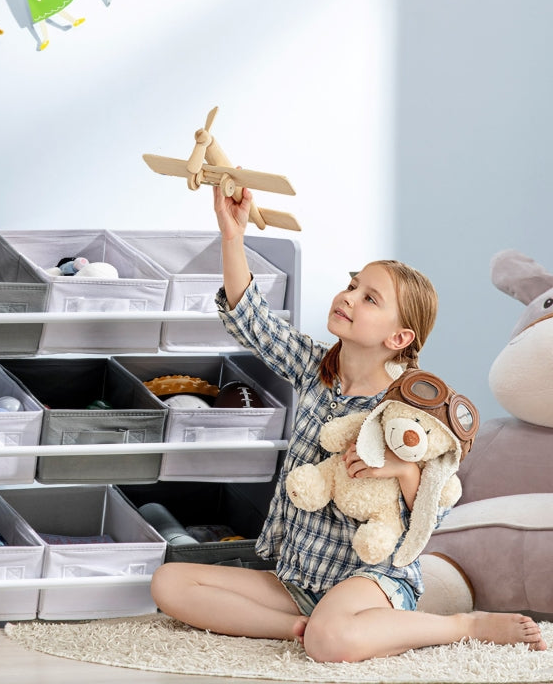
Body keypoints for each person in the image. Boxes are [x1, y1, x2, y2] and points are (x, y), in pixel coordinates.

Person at [150, 184, 547, 662]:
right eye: (353, 284)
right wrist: (232, 235)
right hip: (297, 578)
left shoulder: (412, 408)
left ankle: (456, 625)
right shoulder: (317, 370)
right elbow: (250, 318)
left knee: (331, 642)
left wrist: (400, 472)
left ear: (399, 337)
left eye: (370, 298)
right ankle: (297, 626)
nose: (349, 297)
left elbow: (436, 510)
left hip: (368, 580)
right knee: (169, 580)